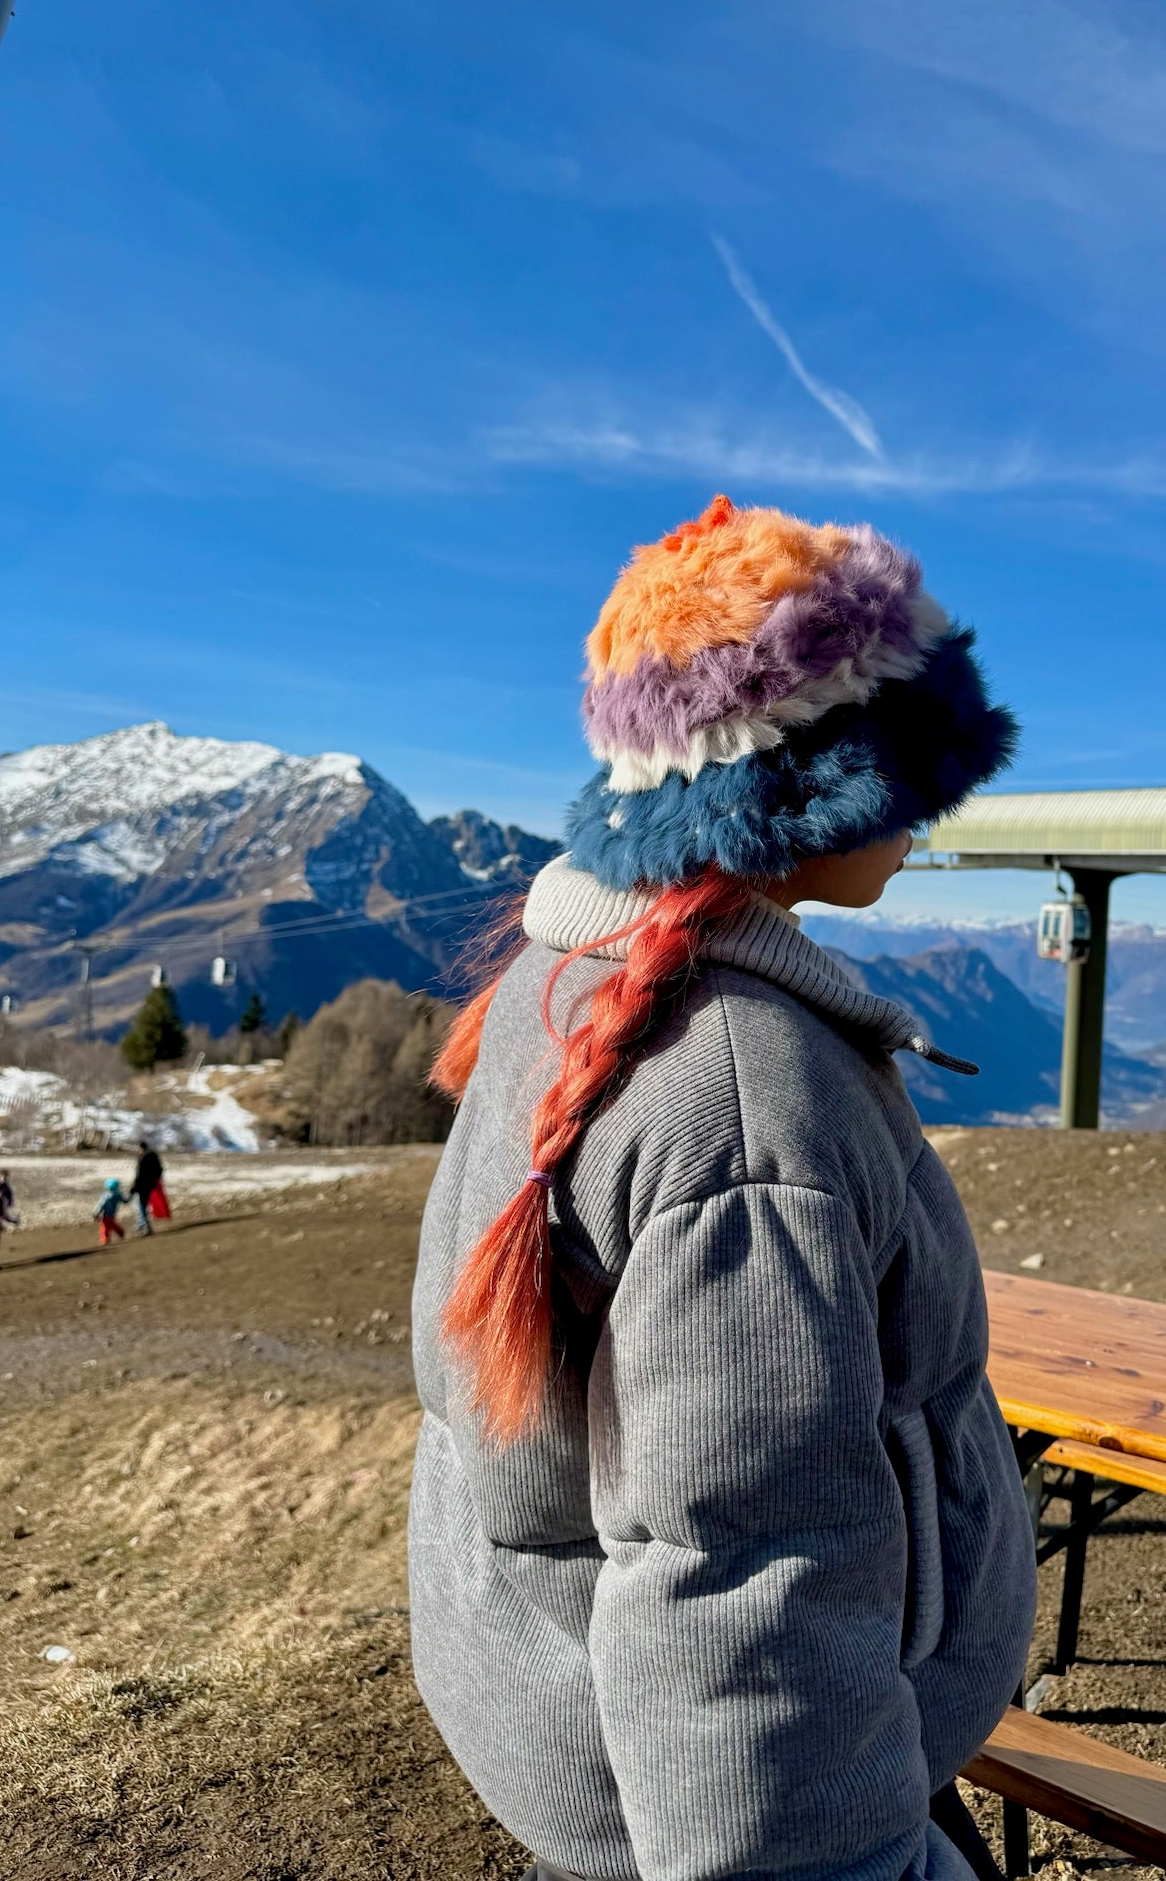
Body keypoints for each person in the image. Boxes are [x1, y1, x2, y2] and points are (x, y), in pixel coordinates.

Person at [409, 496, 1036, 1881]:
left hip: (583, 1736)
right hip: (735, 1814)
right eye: (919, 773)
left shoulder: (562, 987)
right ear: (822, 781)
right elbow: (746, 1575)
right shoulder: (750, 1101)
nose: (935, 821)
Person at [131, 1138, 165, 1235]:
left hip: (142, 1186)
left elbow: (139, 1175)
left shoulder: (142, 1158)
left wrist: (134, 1187)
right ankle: (141, 1224)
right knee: (143, 1205)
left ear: (141, 1148)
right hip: (150, 1185)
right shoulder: (153, 1156)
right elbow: (160, 1170)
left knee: (141, 1206)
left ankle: (144, 1226)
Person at [0, 1169, 18, 1270]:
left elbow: (5, 1213)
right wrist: (13, 1220)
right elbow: (5, 1214)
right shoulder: (2, 1199)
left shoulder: (2, 1199)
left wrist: (13, 1220)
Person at [94, 1177, 127, 1245]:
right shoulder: (118, 1195)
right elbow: (124, 1201)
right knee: (112, 1224)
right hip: (113, 1214)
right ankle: (120, 1232)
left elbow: (101, 1204)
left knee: (104, 1227)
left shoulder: (106, 1196)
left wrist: (96, 1212)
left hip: (106, 1214)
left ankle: (105, 1239)